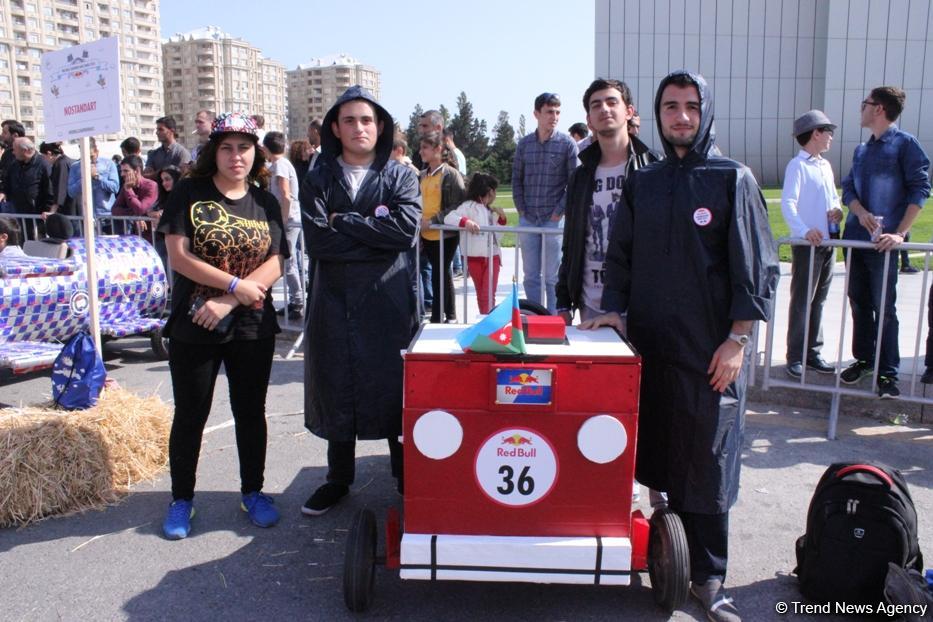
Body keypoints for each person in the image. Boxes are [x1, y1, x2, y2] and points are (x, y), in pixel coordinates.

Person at [582, 71, 778, 622]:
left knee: (709, 460)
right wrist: (613, 314)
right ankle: (668, 545)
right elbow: (619, 255)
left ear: (706, 110)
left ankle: (710, 575)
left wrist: (738, 340)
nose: (682, 117)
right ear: (658, 114)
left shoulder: (731, 178)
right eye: (672, 107)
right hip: (651, 346)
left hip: (710, 351)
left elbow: (757, 269)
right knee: (661, 446)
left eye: (692, 106)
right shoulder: (647, 182)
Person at [157, 112, 286, 540]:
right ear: (215, 151)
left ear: (256, 153)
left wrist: (231, 299)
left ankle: (253, 491)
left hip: (250, 324)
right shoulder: (190, 193)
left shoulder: (264, 199)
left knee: (250, 413)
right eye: (228, 148)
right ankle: (181, 500)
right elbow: (178, 256)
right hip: (195, 323)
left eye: (244, 148)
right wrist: (233, 284)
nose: (236, 156)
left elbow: (276, 260)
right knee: (191, 414)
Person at [298, 85, 420, 516]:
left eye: (366, 119)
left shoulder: (401, 175)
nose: (358, 127)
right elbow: (318, 242)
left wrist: (344, 221)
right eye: (349, 120)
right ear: (335, 127)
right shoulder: (318, 176)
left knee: (393, 385)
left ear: (380, 125)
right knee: (339, 382)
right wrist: (370, 235)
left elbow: (403, 232)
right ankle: (338, 478)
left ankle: (407, 476)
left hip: (387, 298)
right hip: (332, 299)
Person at [839, 86, 931, 399]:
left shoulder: (905, 145)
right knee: (858, 302)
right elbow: (848, 189)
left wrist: (900, 233)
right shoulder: (861, 150)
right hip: (855, 241)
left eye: (864, 103)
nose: (861, 109)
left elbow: (920, 189)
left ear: (878, 108)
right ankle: (864, 359)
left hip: (883, 246)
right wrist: (860, 212)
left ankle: (887, 373)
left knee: (884, 308)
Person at [556, 78, 660, 325]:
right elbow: (570, 243)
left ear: (629, 111)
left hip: (641, 306)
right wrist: (563, 302)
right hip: (590, 305)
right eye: (596, 105)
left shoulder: (654, 168)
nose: (604, 108)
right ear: (589, 120)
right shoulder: (580, 177)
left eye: (612, 101)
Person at [780, 110, 843, 378]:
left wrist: (837, 210)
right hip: (808, 245)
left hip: (828, 242)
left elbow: (832, 199)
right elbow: (788, 204)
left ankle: (813, 352)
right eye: (828, 131)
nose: (831, 137)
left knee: (819, 299)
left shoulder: (824, 166)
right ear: (815, 133)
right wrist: (805, 231)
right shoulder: (798, 166)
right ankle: (795, 354)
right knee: (803, 300)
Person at [512, 92, 579, 313]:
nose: (555, 116)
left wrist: (558, 214)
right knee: (531, 275)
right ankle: (534, 314)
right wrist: (521, 209)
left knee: (552, 276)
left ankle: (551, 317)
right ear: (536, 114)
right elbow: (516, 180)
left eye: (558, 112)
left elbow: (574, 182)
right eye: (550, 111)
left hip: (553, 220)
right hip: (529, 218)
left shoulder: (567, 144)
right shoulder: (524, 145)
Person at [419, 131, 465, 323]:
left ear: (438, 149)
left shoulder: (451, 175)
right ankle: (445, 315)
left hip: (444, 234)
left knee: (441, 273)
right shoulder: (423, 174)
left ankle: (443, 316)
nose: (421, 152)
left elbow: (457, 205)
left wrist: (433, 221)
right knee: (440, 274)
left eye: (425, 148)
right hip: (426, 234)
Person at [443, 172, 506, 314]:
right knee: (481, 295)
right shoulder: (467, 207)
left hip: (493, 258)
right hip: (474, 259)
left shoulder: (491, 211)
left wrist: (501, 220)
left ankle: (487, 323)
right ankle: (485, 322)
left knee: (488, 295)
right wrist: (465, 222)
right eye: (495, 191)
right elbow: (449, 217)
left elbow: (497, 238)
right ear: (490, 191)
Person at [263, 130, 304, 320]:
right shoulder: (281, 164)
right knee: (291, 261)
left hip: (288, 220)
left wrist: (283, 219)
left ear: (266, 148)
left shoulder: (279, 165)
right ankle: (296, 301)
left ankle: (297, 302)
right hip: (290, 218)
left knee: (288, 263)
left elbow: (285, 195)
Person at [67, 137, 120, 231]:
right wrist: (85, 178)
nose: (89, 161)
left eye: (91, 157)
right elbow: (71, 192)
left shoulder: (109, 164)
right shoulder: (75, 167)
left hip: (107, 217)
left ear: (97, 151)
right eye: (85, 157)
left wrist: (98, 177)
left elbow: (115, 188)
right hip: (86, 217)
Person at [4, 137, 53, 226]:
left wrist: (48, 210)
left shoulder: (43, 164)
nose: (13, 152)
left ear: (25, 151)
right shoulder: (14, 165)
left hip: (37, 216)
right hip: (18, 213)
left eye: (15, 150)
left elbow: (50, 189)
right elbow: (7, 182)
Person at [112, 154, 158, 238]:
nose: (122, 174)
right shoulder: (126, 186)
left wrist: (129, 190)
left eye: (126, 171)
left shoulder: (151, 186)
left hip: (153, 236)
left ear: (137, 170)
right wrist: (134, 216)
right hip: (136, 235)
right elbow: (115, 210)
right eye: (121, 171)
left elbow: (140, 209)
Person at [39, 142, 75, 217]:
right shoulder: (67, 161)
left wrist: (53, 211)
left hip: (70, 207)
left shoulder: (60, 164)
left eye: (43, 156)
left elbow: (60, 188)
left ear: (49, 154)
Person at [0, 120, 26, 210]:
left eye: (5, 132)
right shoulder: (7, 154)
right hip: (9, 202)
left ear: (15, 135)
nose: (2, 135)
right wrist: (3, 191)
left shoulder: (33, 157)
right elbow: (4, 176)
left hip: (26, 204)